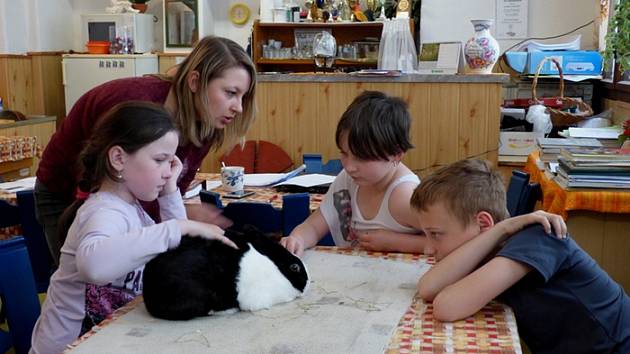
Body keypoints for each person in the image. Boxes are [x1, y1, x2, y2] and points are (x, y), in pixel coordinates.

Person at [30, 102, 238, 354]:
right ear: (118, 158)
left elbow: (177, 254)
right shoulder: (104, 211)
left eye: (170, 162)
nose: (167, 171)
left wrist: (170, 193)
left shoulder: (133, 209)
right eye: (160, 160)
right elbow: (94, 266)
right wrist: (176, 228)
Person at [35, 35, 256, 265]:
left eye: (243, 96)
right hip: (68, 191)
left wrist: (180, 212)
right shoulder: (133, 104)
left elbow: (167, 190)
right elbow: (95, 261)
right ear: (195, 82)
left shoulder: (207, 123)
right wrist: (181, 222)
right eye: (231, 93)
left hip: (119, 196)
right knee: (91, 285)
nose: (239, 107)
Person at [411, 158, 630, 354]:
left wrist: (498, 230)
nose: (428, 249)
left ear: (483, 224)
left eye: (436, 234)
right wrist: (501, 228)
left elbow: (446, 307)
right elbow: (428, 288)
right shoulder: (495, 242)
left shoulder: (540, 237)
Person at [281, 91, 426, 256]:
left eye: (362, 158)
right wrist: (297, 238)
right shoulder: (348, 179)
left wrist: (396, 242)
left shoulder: (404, 196)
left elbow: (453, 243)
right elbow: (314, 226)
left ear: (397, 154)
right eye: (344, 153)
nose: (349, 167)